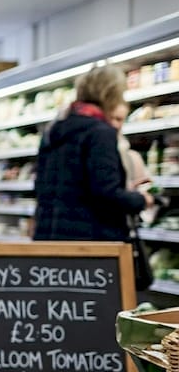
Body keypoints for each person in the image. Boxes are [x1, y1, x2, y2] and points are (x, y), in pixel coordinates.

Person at [34, 65, 152, 241]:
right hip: (89, 241)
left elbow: (40, 186)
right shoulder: (100, 132)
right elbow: (106, 193)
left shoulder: (54, 130)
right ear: (110, 95)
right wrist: (140, 200)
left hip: (49, 235)